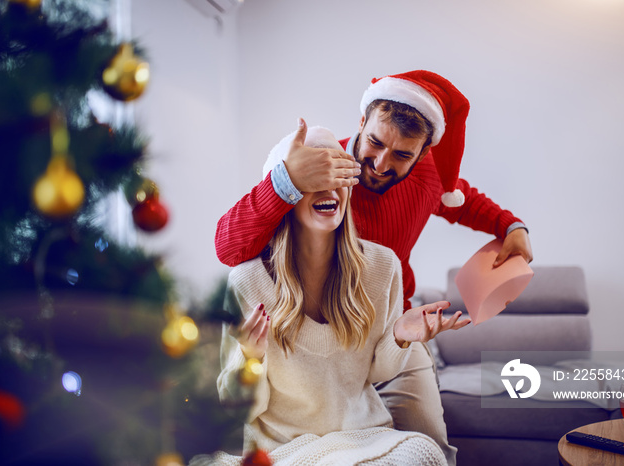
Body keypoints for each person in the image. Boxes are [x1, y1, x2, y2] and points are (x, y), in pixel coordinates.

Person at [213, 70, 534, 465]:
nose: (381, 164)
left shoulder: (426, 182)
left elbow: (463, 200)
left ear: (421, 156)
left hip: (390, 326)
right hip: (314, 337)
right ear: (361, 123)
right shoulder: (323, 167)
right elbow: (229, 248)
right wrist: (287, 181)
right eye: (375, 143)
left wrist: (512, 226)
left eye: (402, 154)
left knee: (433, 445)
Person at [195, 127, 469, 466]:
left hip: (364, 438)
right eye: (314, 178)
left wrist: (399, 336)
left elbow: (377, 373)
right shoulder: (247, 282)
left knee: (427, 454)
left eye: (338, 175)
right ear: (288, 194)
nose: (329, 188)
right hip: (284, 448)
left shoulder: (383, 266)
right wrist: (249, 360)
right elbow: (240, 407)